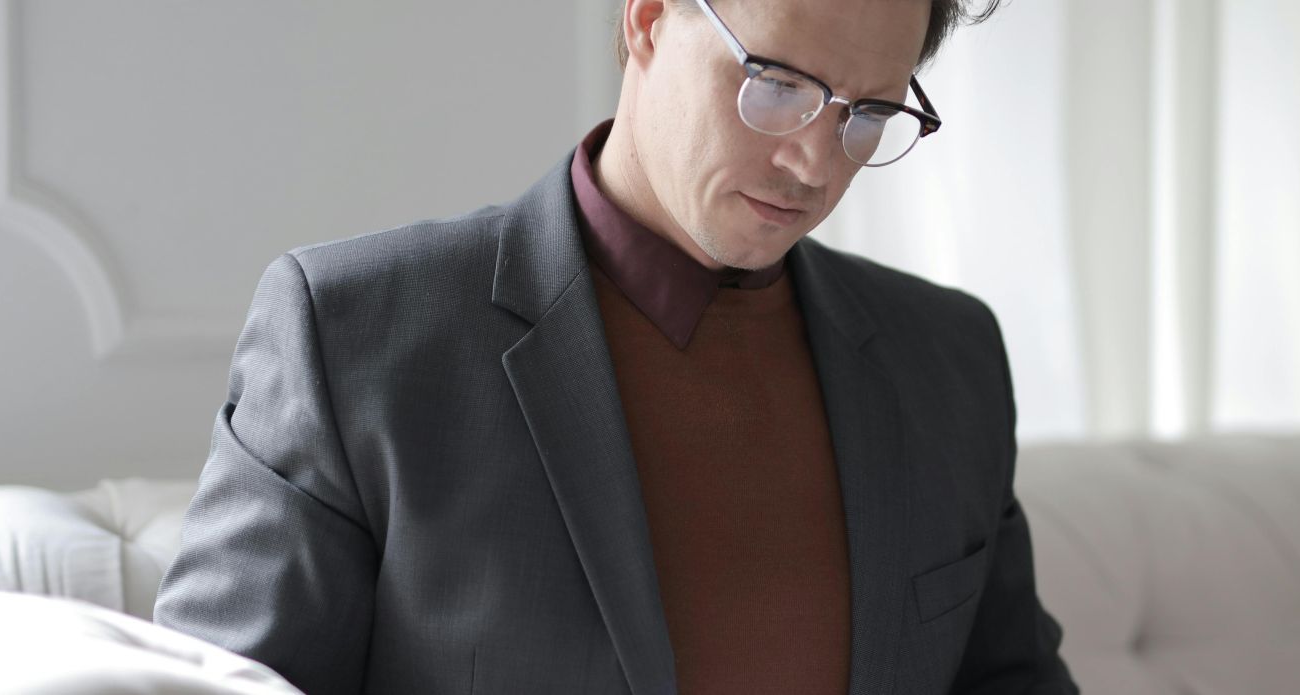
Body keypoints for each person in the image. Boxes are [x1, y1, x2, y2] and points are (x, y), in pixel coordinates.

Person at [153, 0, 1076, 692]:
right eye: (779, 86)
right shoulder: (351, 339)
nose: (816, 163)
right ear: (646, 18)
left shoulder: (948, 358)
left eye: (867, 114)